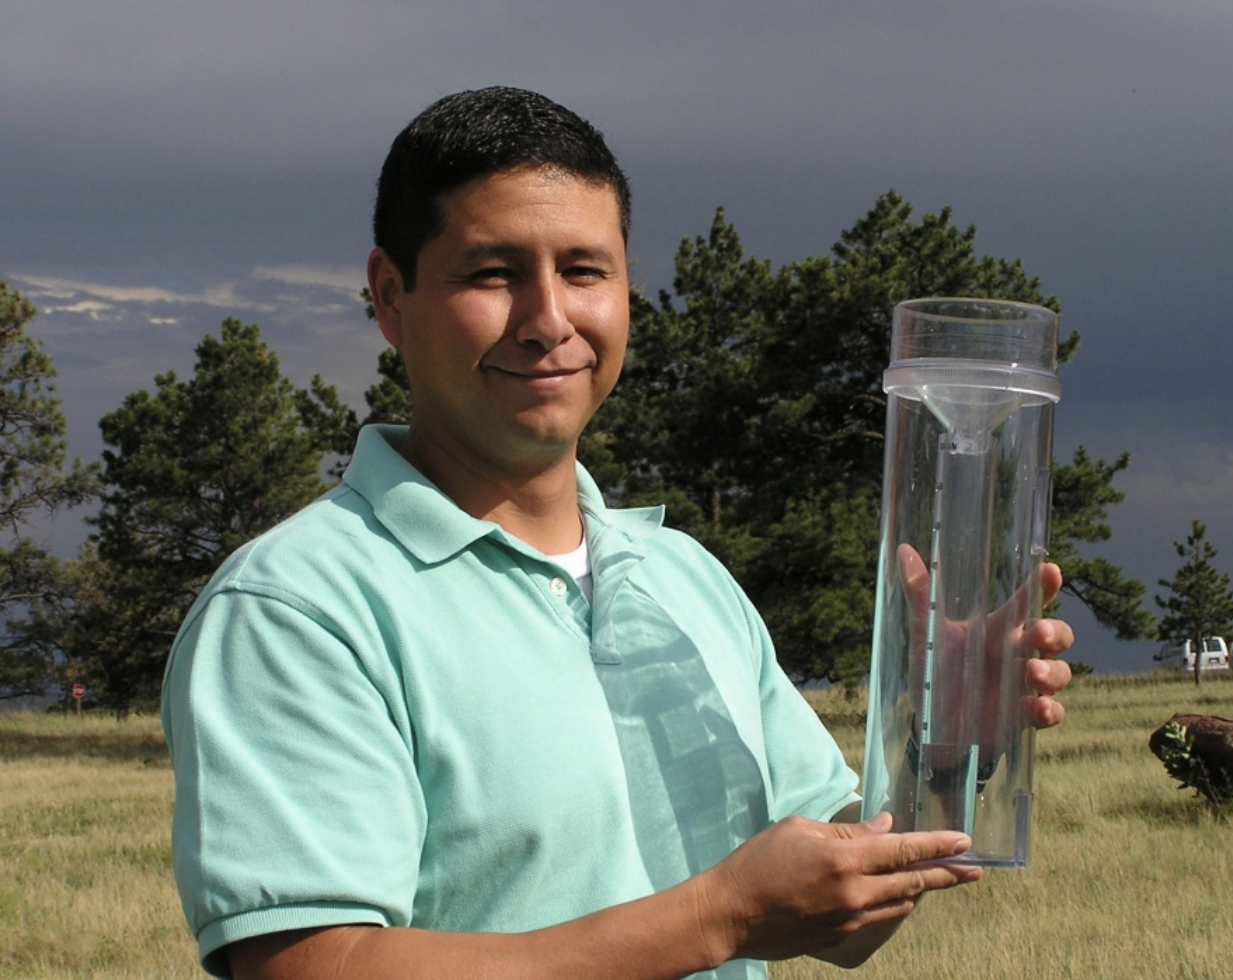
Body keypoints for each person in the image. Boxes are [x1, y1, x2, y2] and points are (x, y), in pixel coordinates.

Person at [161, 86, 1073, 980]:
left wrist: (946, 745)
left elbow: (838, 919)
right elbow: (317, 967)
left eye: (584, 270)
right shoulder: (295, 610)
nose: (549, 320)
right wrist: (722, 914)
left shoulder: (684, 580)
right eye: (493, 272)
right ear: (390, 296)